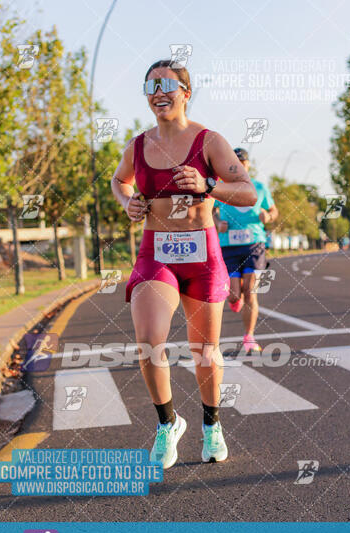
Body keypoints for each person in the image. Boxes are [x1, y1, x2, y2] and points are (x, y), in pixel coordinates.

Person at [111, 60, 257, 469]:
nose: (159, 92)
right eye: (151, 86)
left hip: (202, 254)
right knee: (149, 341)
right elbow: (118, 181)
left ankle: (212, 425)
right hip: (155, 253)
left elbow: (247, 193)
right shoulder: (137, 146)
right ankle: (167, 422)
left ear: (186, 93)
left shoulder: (209, 141)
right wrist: (130, 203)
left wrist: (210, 185)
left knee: (205, 351)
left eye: (167, 85)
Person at [213, 148, 278, 354]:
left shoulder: (259, 187)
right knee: (233, 295)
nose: (240, 165)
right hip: (229, 245)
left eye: (243, 161)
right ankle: (235, 298)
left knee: (251, 291)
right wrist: (216, 222)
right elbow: (209, 209)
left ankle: (249, 336)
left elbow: (273, 210)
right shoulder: (221, 188)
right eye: (236, 161)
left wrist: (268, 216)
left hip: (254, 243)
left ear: (248, 164)